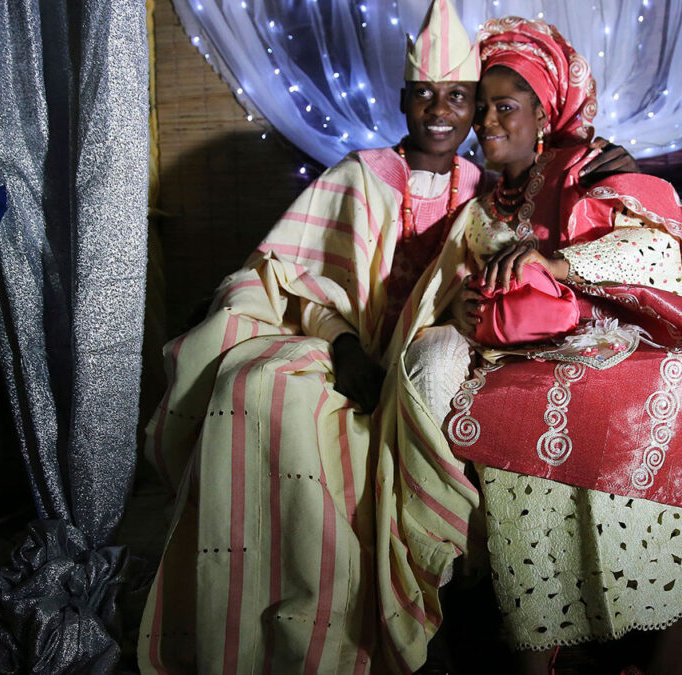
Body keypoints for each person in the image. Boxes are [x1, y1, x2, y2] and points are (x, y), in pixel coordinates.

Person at [137, 3, 635, 672]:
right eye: (424, 94)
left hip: (416, 351)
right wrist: (343, 346)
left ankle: (367, 623)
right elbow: (293, 277)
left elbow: (519, 263)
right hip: (338, 343)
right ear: (402, 99)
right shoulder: (358, 173)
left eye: (459, 97)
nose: (442, 109)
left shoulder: (483, 192)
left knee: (335, 419)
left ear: (475, 107)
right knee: (256, 385)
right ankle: (250, 632)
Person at [400, 17, 682, 675]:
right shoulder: (482, 205)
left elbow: (659, 255)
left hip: (632, 333)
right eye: (480, 110)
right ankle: (538, 644)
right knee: (513, 412)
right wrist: (462, 303)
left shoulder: (591, 166)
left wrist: (559, 263)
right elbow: (461, 281)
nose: (487, 123)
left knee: (641, 399)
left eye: (504, 107)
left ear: (544, 111)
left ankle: (668, 641)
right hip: (535, 354)